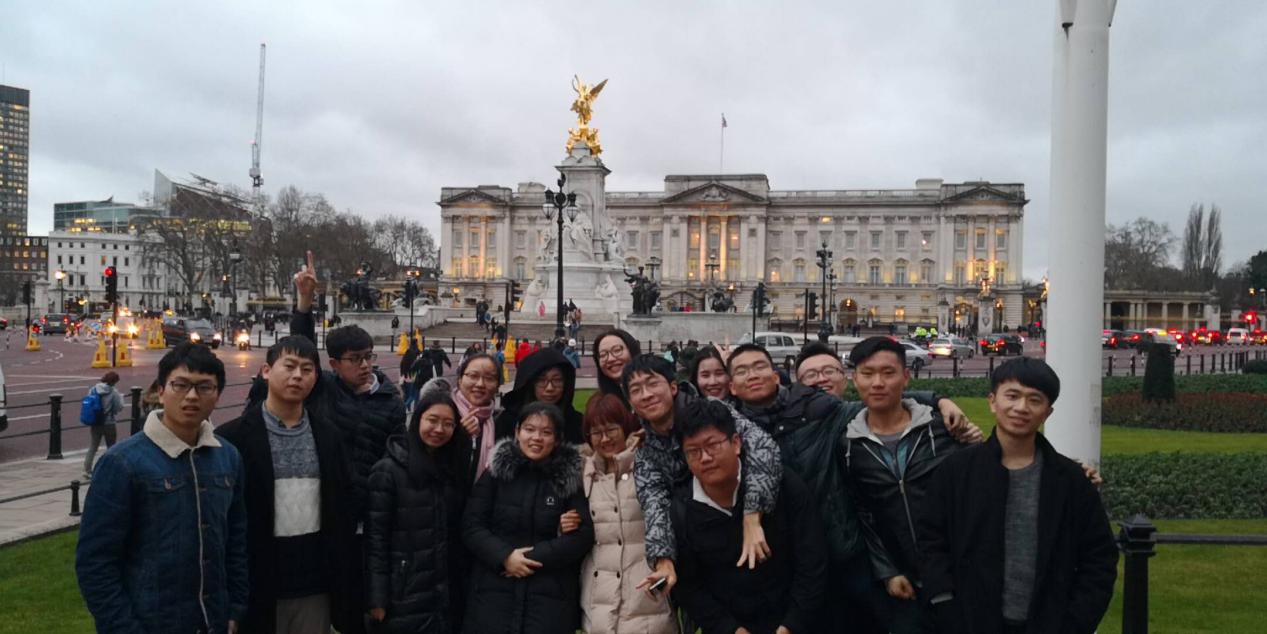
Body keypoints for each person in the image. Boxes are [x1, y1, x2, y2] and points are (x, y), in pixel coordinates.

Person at [727, 342, 976, 634]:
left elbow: (881, 399)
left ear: (775, 374)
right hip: (784, 558)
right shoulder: (729, 426)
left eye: (759, 366)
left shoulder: (823, 410)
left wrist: (938, 400)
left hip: (845, 550)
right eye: (742, 371)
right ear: (732, 386)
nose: (752, 375)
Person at [918, 358, 1118, 634]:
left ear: (1047, 412)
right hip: (968, 622)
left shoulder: (1071, 481)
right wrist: (945, 606)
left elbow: (1099, 558)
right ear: (992, 402)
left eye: (1034, 400)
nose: (1021, 408)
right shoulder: (956, 472)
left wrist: (1075, 622)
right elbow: (931, 543)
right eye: (1012, 396)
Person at [76, 343, 248, 633]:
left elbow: (236, 542)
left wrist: (235, 609)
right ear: (160, 391)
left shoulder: (228, 457)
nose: (191, 396)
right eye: (180, 385)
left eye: (204, 387)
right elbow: (95, 563)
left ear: (217, 395)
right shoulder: (122, 463)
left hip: (213, 621)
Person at [217, 336, 362, 634]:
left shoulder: (330, 436)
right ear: (266, 371)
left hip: (315, 584)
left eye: (307, 369)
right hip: (256, 580)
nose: (298, 376)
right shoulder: (232, 438)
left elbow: (343, 505)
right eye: (290, 366)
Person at [840, 337, 984, 633]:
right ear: (855, 379)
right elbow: (862, 513)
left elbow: (988, 479)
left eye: (888, 373)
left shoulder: (944, 428)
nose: (877, 383)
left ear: (906, 377)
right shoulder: (848, 446)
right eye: (867, 374)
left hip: (961, 574)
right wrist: (887, 571)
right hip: (904, 581)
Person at [622, 354, 784, 602]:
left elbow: (764, 448)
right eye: (636, 390)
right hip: (704, 550)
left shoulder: (711, 411)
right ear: (630, 402)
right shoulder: (646, 453)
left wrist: (752, 516)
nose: (646, 395)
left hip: (759, 530)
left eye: (653, 384)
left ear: (673, 387)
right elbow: (654, 506)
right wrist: (663, 561)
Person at [671, 399, 828, 634]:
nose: (704, 458)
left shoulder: (782, 485)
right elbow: (690, 587)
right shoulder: (682, 510)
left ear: (736, 443)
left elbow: (812, 559)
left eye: (712, 445)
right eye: (693, 452)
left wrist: (792, 624)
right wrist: (732, 630)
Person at [291, 252, 406, 526]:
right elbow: (301, 348)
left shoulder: (391, 401)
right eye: (355, 359)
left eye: (368, 357)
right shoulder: (323, 389)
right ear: (334, 364)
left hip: (370, 508)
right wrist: (305, 302)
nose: (365, 365)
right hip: (324, 505)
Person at [461, 402, 594, 634]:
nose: (536, 438)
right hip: (494, 593)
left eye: (546, 432)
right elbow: (472, 526)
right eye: (529, 429)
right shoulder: (496, 473)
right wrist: (504, 557)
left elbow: (582, 536)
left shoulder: (569, 478)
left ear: (557, 439)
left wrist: (527, 559)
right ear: (517, 432)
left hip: (549, 597)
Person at [562, 393, 676, 634]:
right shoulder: (581, 475)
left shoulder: (648, 466)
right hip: (599, 598)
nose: (605, 439)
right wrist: (563, 524)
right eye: (596, 432)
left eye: (611, 429)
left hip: (645, 595)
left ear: (625, 428)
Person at [366, 387, 472, 633]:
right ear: (417, 420)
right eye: (432, 420)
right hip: (404, 590)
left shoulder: (452, 469)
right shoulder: (388, 470)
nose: (439, 429)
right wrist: (377, 597)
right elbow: (376, 539)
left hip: (445, 589)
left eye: (448, 424)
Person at [493, 347, 583, 445]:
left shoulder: (577, 424)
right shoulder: (507, 422)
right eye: (542, 380)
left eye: (557, 380)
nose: (549, 388)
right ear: (531, 384)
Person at [442, 351, 502, 482]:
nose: (480, 384)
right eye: (473, 376)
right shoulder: (440, 413)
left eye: (489, 378)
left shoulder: (501, 422)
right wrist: (460, 435)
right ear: (460, 380)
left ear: (497, 385)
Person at [82, 370, 126, 479]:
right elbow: (118, 407)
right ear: (114, 381)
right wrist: (121, 398)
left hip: (95, 422)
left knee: (93, 446)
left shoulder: (93, 389)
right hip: (109, 422)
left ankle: (87, 469)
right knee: (111, 447)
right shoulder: (113, 392)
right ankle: (111, 469)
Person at [591, 328, 641, 405]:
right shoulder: (600, 406)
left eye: (617, 350)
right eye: (603, 355)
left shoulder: (654, 395)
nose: (610, 359)